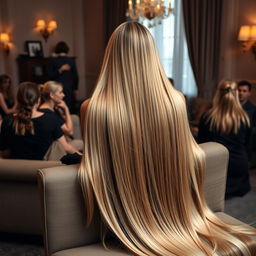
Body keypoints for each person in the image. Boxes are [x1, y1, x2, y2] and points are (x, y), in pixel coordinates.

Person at [79, 22, 256, 256]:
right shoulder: (175, 101)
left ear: (111, 56)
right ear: (152, 55)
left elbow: (94, 165)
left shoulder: (91, 108)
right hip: (172, 209)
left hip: (119, 217)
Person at [198, 80, 251, 199]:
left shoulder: (208, 117)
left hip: (216, 167)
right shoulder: (244, 118)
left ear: (218, 94)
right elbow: (247, 145)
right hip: (238, 169)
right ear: (236, 94)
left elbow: (201, 145)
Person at [0, 82, 79, 160]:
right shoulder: (50, 119)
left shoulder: (7, 121)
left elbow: (5, 154)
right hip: (43, 171)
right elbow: (66, 147)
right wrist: (83, 157)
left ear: (18, 100)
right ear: (38, 100)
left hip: (14, 171)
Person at [39, 81, 83, 151]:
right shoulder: (49, 114)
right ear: (52, 95)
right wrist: (66, 109)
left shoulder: (49, 109)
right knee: (82, 143)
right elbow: (70, 131)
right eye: (60, 92)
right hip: (56, 148)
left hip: (63, 141)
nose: (63, 95)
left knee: (74, 118)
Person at [48, 41, 79, 113]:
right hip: (69, 87)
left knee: (57, 107)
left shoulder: (52, 61)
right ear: (67, 49)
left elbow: (50, 76)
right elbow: (76, 76)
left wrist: (59, 70)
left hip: (56, 89)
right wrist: (76, 89)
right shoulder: (71, 61)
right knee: (68, 107)